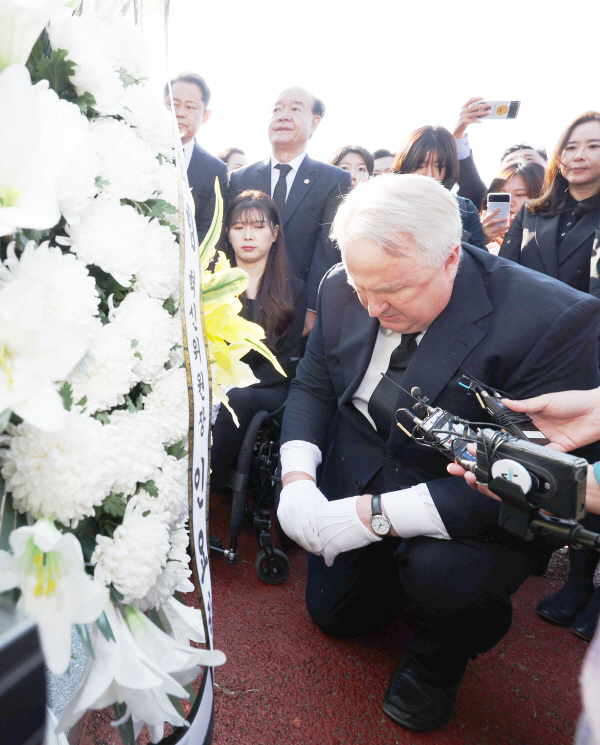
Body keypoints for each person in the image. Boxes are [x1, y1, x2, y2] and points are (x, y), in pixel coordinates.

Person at [276, 174, 600, 732]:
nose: (373, 307)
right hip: (363, 460)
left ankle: (439, 659)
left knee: (448, 579)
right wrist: (297, 478)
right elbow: (314, 385)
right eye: (361, 287)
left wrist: (375, 516)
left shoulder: (552, 319)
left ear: (452, 258)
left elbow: (535, 473)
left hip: (470, 500)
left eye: (395, 290)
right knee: (335, 617)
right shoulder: (337, 285)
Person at [228, 87, 352, 336]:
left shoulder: (333, 179)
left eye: (295, 109)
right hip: (242, 305)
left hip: (297, 306)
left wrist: (313, 306)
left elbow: (328, 247)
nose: (283, 116)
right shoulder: (241, 178)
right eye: (277, 109)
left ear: (314, 122)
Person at [210, 190, 307, 486]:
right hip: (216, 378)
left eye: (258, 227)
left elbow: (287, 357)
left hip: (268, 385)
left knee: (238, 396)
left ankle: (206, 482)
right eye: (239, 228)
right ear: (227, 233)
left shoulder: (294, 288)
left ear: (275, 233)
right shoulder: (212, 281)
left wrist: (237, 383)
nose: (247, 236)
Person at [500, 112, 600, 295]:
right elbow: (503, 275)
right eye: (570, 147)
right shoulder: (531, 212)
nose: (578, 156)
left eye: (593, 146)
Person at [393, 126, 486, 249]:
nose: (429, 174)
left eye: (439, 166)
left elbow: (476, 264)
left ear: (449, 168)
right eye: (420, 165)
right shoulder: (384, 205)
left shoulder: (465, 210)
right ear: (405, 164)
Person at [164, 72, 227, 245]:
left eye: (190, 107)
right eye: (173, 104)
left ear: (205, 116)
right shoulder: (140, 150)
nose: (180, 113)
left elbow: (209, 228)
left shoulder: (215, 169)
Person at [453, 97, 547, 208]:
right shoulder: (485, 205)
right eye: (511, 162)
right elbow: (470, 182)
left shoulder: (565, 203)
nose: (519, 164)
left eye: (528, 159)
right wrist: (458, 133)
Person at [480, 161, 545, 249]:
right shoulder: (487, 249)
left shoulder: (549, 242)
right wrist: (480, 239)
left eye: (520, 194)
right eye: (502, 196)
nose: (510, 203)